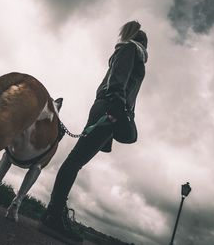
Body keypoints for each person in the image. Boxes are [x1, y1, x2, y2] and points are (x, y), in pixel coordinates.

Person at [41, 21, 148, 242]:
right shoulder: (131, 49)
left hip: (111, 110)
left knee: (77, 161)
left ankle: (55, 212)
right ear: (143, 43)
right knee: (75, 160)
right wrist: (117, 106)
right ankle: (53, 215)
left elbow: (125, 85)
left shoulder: (129, 51)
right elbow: (118, 82)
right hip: (110, 110)